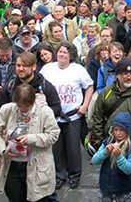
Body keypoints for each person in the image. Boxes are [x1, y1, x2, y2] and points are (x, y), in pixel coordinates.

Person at [90, 58, 131, 202]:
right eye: (124, 73)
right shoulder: (106, 92)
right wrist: (100, 144)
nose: (128, 76)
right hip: (112, 146)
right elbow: (97, 118)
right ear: (117, 75)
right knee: (111, 183)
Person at [0, 83, 60, 202]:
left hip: (37, 166)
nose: (22, 110)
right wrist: (3, 150)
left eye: (26, 107)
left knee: (39, 199)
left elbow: (53, 135)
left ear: (33, 101)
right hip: (12, 166)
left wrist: (30, 139)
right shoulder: (6, 110)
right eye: (19, 106)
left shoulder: (45, 112)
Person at [39, 41, 94, 189]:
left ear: (71, 55)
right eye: (60, 52)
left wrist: (85, 105)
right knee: (56, 148)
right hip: (53, 116)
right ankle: (59, 175)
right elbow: (40, 87)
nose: (61, 55)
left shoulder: (78, 69)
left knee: (73, 148)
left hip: (73, 115)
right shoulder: (47, 69)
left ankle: (74, 175)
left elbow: (89, 86)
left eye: (65, 52)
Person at [91, 111, 131, 202]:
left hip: (123, 191)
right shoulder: (107, 141)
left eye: (121, 130)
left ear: (128, 130)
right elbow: (94, 160)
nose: (118, 133)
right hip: (105, 188)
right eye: (116, 129)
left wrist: (119, 157)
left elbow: (129, 169)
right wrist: (105, 152)